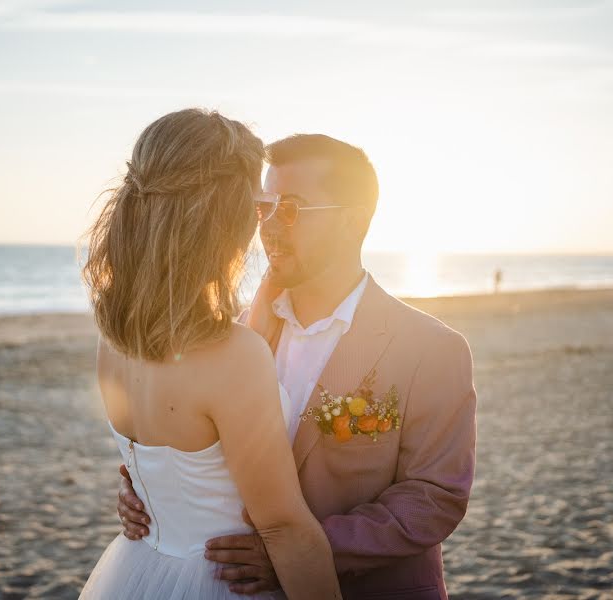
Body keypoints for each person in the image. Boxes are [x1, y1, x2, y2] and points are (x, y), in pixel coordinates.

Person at [118, 134, 478, 599]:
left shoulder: (433, 349)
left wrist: (300, 550)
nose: (267, 226)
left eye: (289, 208)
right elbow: (182, 440)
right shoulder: (231, 340)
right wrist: (144, 494)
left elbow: (435, 497)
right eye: (263, 207)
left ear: (352, 221)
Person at [78, 110, 342, 600]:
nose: (261, 221)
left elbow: (155, 470)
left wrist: (140, 495)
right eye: (256, 204)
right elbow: (286, 529)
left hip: (141, 569)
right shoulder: (234, 355)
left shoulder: (112, 338)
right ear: (224, 221)